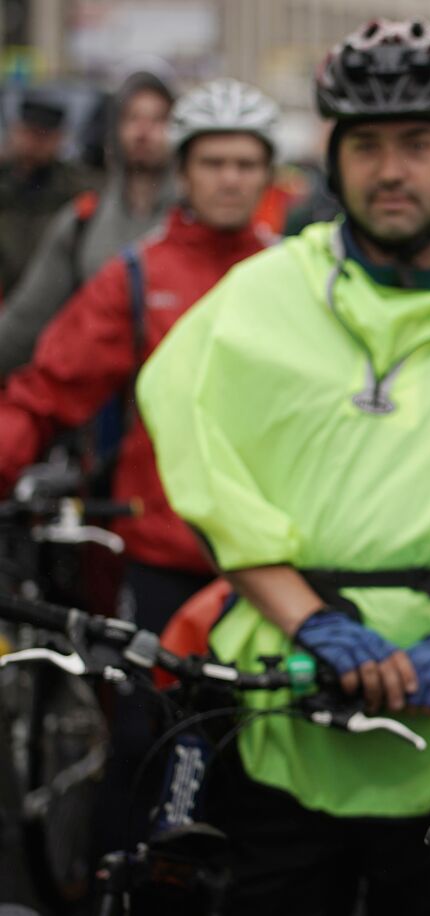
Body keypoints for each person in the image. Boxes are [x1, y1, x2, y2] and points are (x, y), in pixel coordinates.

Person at [137, 19, 430, 916]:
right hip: (285, 708)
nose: (391, 169)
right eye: (365, 145)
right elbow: (210, 470)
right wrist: (311, 618)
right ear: (333, 162)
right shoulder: (254, 297)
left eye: (417, 143)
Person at [0, 77, 280, 862]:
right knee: (138, 746)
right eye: (213, 161)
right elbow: (42, 391)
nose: (229, 177)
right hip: (158, 558)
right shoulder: (133, 274)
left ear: (268, 177)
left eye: (245, 163)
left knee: (255, 760)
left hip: (270, 565)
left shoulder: (299, 278)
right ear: (184, 171)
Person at [0, 71, 176, 375]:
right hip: (98, 403)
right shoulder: (83, 220)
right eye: (133, 118)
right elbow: (27, 319)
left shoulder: (197, 223)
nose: (144, 131)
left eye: (159, 119)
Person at [0, 90, 91, 295]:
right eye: (30, 132)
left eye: (44, 136)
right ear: (16, 132)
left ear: (58, 139)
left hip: (52, 298)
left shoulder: (75, 188)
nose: (35, 143)